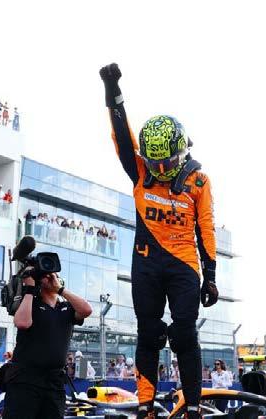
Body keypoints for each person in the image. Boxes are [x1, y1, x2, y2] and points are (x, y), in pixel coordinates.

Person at [100, 63, 218, 419]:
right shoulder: (139, 170)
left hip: (183, 263)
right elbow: (122, 136)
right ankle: (146, 405)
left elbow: (206, 228)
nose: (161, 170)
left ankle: (193, 406)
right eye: (156, 163)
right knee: (148, 333)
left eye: (167, 163)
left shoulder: (199, 181)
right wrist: (112, 88)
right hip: (146, 261)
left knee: (184, 335)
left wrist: (211, 275)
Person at [2, 271, 92, 419]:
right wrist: (30, 289)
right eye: (46, 275)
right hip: (25, 381)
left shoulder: (67, 308)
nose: (50, 277)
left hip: (54, 382)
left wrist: (60, 289)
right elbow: (22, 323)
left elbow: (87, 310)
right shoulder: (30, 303)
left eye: (54, 275)